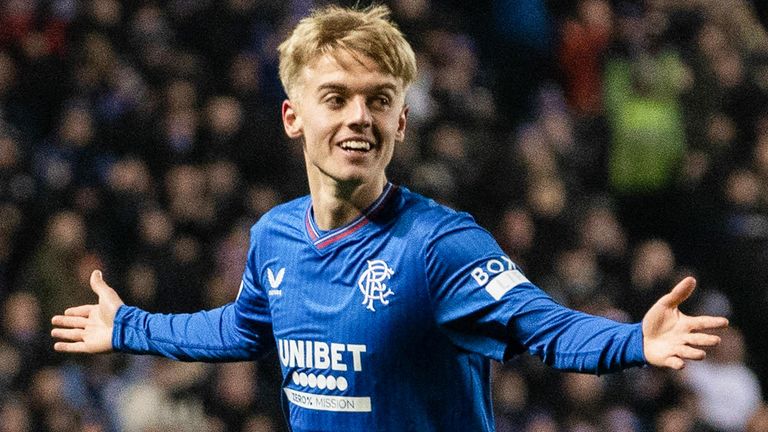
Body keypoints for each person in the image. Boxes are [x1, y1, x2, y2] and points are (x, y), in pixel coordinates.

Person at [51, 5, 729, 431]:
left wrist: (633, 342)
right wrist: (128, 325)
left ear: (400, 121)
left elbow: (540, 327)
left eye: (378, 100)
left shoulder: (441, 244)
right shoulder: (275, 238)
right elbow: (243, 327)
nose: (358, 117)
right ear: (294, 116)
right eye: (336, 97)